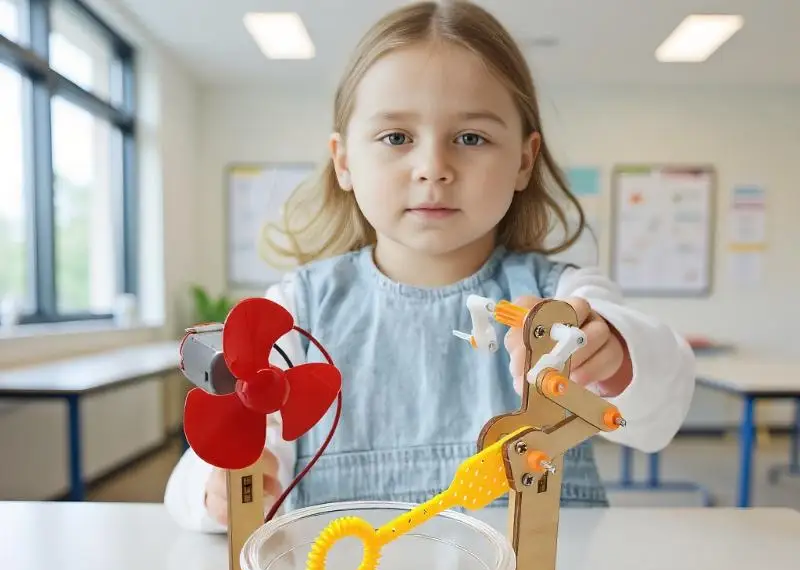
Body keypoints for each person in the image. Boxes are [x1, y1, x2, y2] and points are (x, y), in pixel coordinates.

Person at [164, 0, 695, 533]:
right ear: (344, 160)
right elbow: (201, 475)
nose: (433, 169)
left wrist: (612, 356)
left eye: (471, 138)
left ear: (524, 160)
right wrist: (218, 489)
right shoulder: (294, 314)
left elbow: (658, 414)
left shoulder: (565, 298)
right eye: (396, 138)